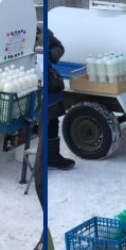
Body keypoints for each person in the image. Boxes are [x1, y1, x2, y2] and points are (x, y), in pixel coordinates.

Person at [45, 29, 75, 170]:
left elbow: (59, 47)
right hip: (25, 80)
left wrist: (50, 55)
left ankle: (52, 157)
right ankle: (41, 158)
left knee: (52, 119)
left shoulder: (41, 30)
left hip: (48, 82)